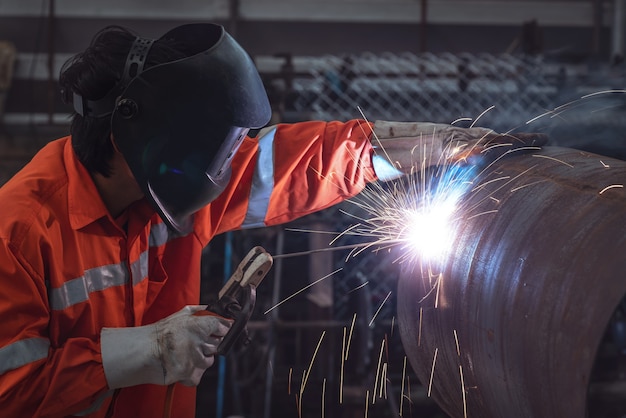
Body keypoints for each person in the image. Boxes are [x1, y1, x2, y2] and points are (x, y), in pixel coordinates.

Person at [0, 23, 546, 418]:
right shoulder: (18, 229)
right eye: (218, 149)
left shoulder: (171, 190)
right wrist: (151, 349)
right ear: (149, 139)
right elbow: (10, 390)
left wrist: (436, 146)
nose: (228, 167)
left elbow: (304, 162)